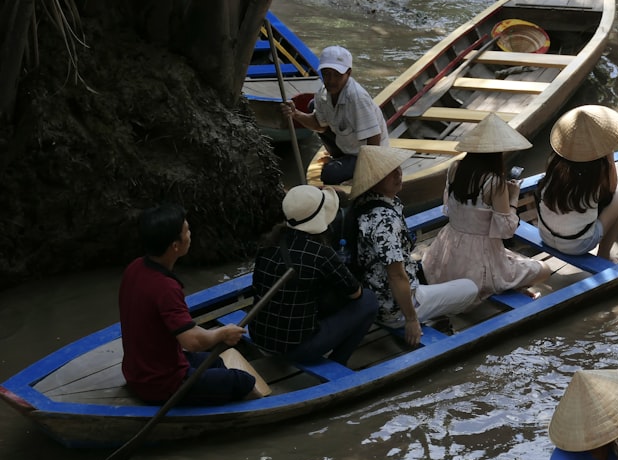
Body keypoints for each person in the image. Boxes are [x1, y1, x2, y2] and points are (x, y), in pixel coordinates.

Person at [119, 204, 258, 405]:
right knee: (245, 381)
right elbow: (192, 342)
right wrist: (223, 333)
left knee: (216, 362)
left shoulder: (135, 267)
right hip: (163, 383)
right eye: (187, 230)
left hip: (138, 370)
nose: (190, 234)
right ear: (176, 245)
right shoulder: (165, 287)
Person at [350, 144, 479, 347]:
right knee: (471, 288)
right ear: (374, 181)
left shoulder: (364, 203)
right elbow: (396, 275)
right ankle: (414, 316)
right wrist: (411, 319)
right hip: (393, 307)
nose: (398, 174)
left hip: (373, 293)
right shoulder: (384, 220)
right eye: (389, 173)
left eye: (398, 168)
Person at [422, 113, 551, 301]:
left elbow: (450, 207)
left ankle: (510, 286)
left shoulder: (455, 168)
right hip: (480, 257)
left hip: (448, 250)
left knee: (515, 260)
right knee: (545, 269)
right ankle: (506, 287)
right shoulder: (495, 182)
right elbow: (506, 230)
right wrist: (513, 195)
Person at [250, 185, 378, 365]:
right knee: (369, 301)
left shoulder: (268, 244)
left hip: (260, 338)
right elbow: (355, 293)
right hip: (297, 348)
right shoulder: (321, 253)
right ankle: (339, 362)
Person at [281, 45, 389, 186]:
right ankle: (339, 157)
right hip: (347, 147)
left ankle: (350, 166)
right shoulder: (323, 93)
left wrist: (367, 173)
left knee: (329, 175)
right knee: (313, 105)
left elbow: (374, 138)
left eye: (337, 75)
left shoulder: (357, 98)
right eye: (326, 74)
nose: (331, 80)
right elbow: (319, 125)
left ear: (348, 73)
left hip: (366, 155)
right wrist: (295, 114)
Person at [536, 105, 618, 261]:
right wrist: (609, 158)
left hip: (544, 234)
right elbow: (611, 190)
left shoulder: (555, 160)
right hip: (578, 245)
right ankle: (604, 255)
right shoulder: (597, 169)